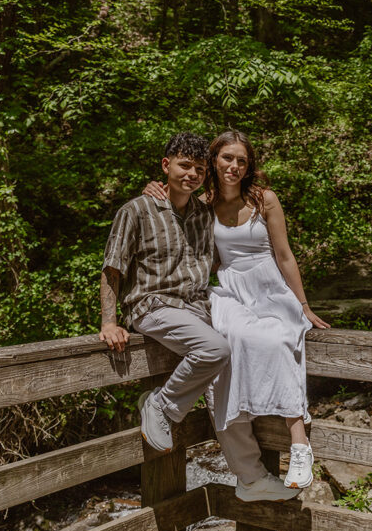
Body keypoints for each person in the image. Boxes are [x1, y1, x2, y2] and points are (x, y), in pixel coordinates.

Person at [99, 131, 299, 502]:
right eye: (183, 166)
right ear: (166, 166)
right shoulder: (137, 210)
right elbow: (113, 268)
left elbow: (238, 246)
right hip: (153, 305)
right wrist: (108, 322)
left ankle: (251, 478)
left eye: (198, 168)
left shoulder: (204, 213)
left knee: (227, 378)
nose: (191, 173)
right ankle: (161, 405)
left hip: (196, 306)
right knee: (215, 349)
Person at [145, 129, 329, 490]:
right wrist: (151, 188)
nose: (234, 165)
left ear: (249, 166)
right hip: (229, 288)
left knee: (280, 340)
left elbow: (285, 255)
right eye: (227, 158)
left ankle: (299, 444)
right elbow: (172, 202)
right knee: (232, 340)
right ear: (215, 160)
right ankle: (247, 456)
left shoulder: (265, 200)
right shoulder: (205, 202)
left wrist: (303, 305)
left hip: (269, 286)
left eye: (242, 160)